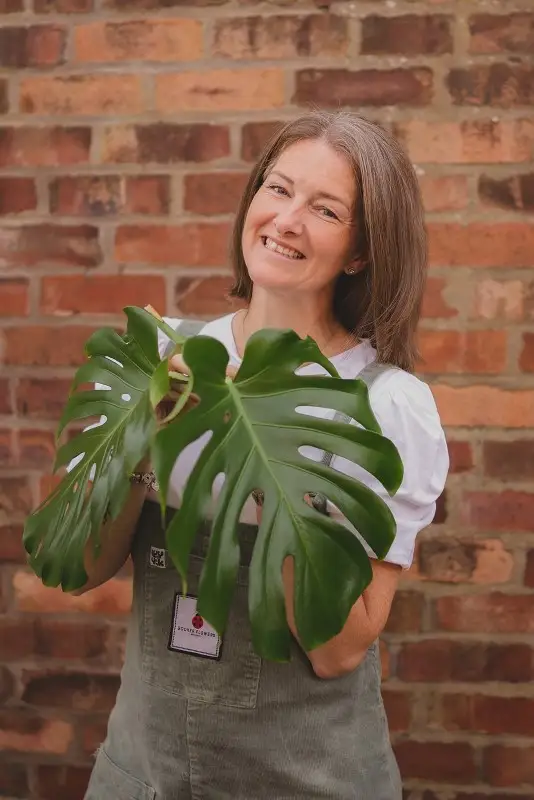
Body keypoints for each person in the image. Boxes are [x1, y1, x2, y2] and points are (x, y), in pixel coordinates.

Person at [77, 110, 449, 799]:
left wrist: (264, 458)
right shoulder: (160, 359)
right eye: (277, 189)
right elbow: (82, 567)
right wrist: (142, 442)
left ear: (361, 252)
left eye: (325, 208)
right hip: (142, 778)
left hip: (306, 783)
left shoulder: (387, 406)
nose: (285, 219)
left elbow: (338, 649)